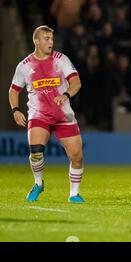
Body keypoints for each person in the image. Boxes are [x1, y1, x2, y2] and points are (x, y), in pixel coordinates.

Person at [8, 25, 85, 203]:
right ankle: (38, 183)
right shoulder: (24, 66)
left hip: (63, 115)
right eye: (46, 38)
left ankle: (74, 193)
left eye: (52, 38)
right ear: (36, 41)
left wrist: (65, 94)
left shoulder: (61, 60)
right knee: (36, 151)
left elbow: (76, 83)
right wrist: (15, 109)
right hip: (38, 115)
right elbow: (13, 90)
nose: (51, 42)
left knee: (77, 157)